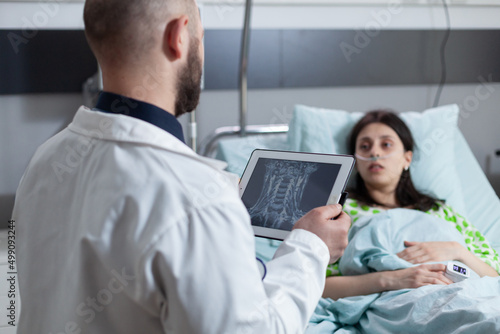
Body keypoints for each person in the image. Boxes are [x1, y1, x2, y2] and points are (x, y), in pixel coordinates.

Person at [11, 0, 351, 333]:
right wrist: (311, 248)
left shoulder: (47, 158)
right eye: (201, 39)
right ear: (179, 36)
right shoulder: (195, 197)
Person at [323, 110, 500, 300]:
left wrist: (457, 251)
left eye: (386, 144)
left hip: (460, 296)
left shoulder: (440, 211)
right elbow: (319, 285)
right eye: (365, 147)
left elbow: (494, 277)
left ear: (407, 158)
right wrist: (392, 279)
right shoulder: (339, 211)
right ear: (357, 162)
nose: (375, 152)